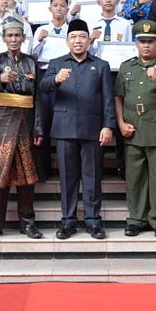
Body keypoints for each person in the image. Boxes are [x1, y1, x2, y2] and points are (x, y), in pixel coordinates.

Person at [41, 19, 116, 240]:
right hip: (64, 129)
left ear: (89, 40)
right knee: (67, 178)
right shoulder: (56, 63)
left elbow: (108, 99)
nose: (78, 41)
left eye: (82, 37)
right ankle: (68, 221)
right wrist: (55, 80)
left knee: (92, 177)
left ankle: (93, 220)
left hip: (93, 129)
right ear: (67, 41)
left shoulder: (101, 65)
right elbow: (43, 87)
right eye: (73, 37)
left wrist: (108, 126)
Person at [0, 13, 44, 240]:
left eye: (17, 35)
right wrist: (0, 80)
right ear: (4, 38)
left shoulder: (31, 62)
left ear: (24, 38)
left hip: (26, 122)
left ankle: (27, 223)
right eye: (10, 36)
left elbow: (38, 97)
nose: (14, 39)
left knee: (27, 175)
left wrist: (38, 128)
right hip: (2, 122)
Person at [115, 20, 156, 238]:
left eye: (150, 42)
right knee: (134, 178)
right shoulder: (127, 67)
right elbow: (119, 97)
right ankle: (136, 219)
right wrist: (120, 123)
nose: (146, 45)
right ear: (136, 43)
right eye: (142, 41)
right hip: (133, 128)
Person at [88, 0, 132, 177]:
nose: (108, 0)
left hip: (118, 73)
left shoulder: (125, 24)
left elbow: (130, 49)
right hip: (96, 73)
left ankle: (122, 165)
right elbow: (82, 50)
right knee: (98, 115)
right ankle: (96, 167)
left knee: (121, 113)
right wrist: (91, 39)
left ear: (117, 0)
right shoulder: (90, 22)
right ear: (98, 1)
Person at [31, 0, 70, 181]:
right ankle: (43, 169)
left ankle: (67, 171)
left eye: (63, 5)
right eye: (56, 5)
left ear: (68, 9)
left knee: (66, 121)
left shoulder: (72, 31)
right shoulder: (41, 29)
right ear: (50, 8)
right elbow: (32, 55)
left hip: (67, 76)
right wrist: (39, 41)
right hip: (46, 75)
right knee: (44, 121)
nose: (59, 8)